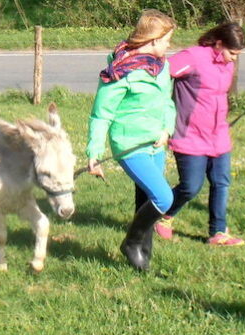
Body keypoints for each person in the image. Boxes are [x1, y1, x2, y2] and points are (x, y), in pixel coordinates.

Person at [86, 9, 177, 271]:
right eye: (166, 40)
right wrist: (94, 152)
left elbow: (167, 103)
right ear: (152, 41)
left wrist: (166, 130)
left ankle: (142, 258)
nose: (169, 45)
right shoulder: (119, 73)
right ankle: (131, 243)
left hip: (156, 143)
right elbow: (101, 115)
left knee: (147, 198)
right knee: (164, 198)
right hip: (130, 144)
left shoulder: (161, 66)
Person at [154, 22, 245, 246]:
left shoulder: (227, 64)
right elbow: (159, 74)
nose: (234, 58)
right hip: (190, 136)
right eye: (232, 53)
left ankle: (218, 232)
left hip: (218, 136)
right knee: (190, 186)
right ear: (219, 43)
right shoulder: (193, 57)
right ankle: (163, 217)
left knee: (221, 182)